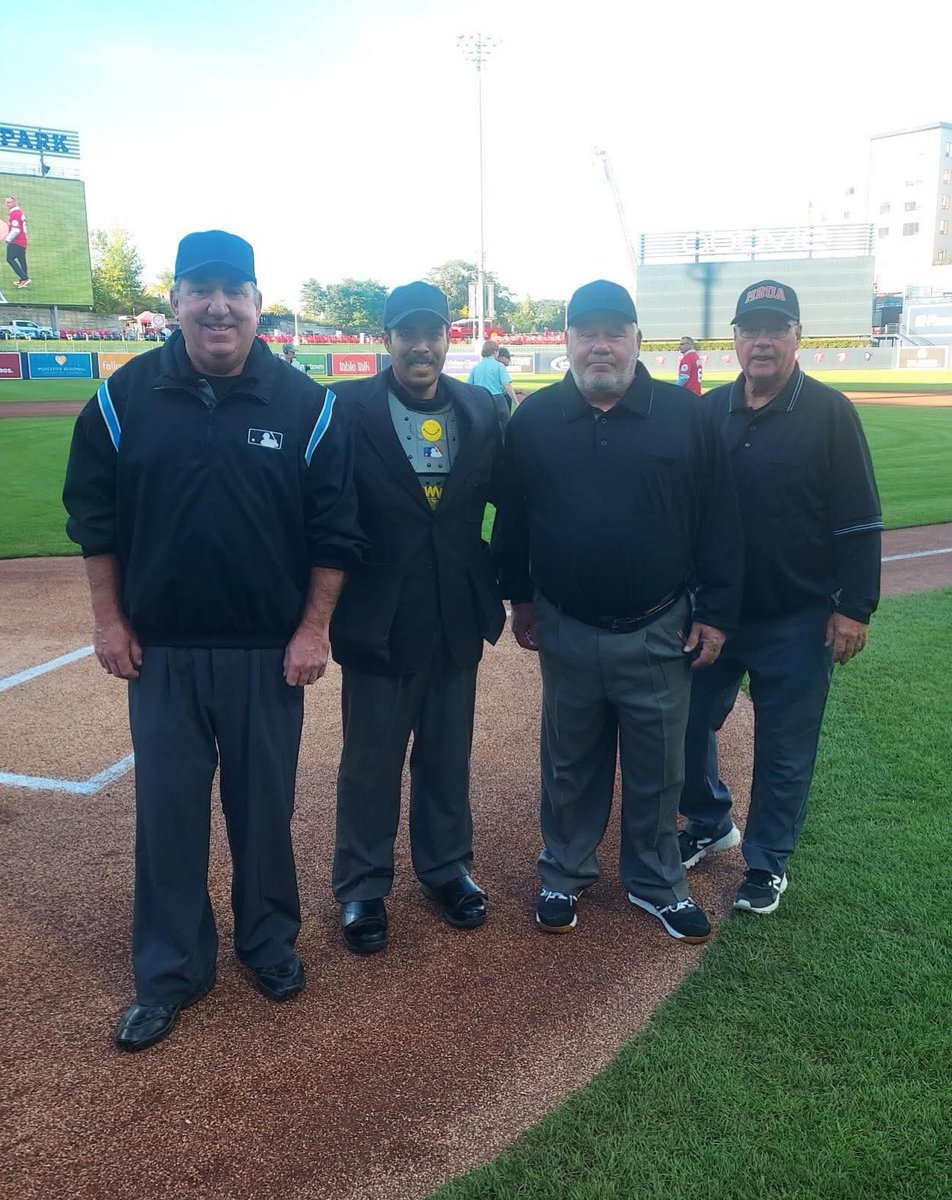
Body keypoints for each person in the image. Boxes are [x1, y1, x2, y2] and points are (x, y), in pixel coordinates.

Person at [63, 230, 364, 1051]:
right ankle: (170, 972)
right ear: (176, 301)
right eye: (201, 288)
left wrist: (312, 630)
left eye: (235, 289)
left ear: (259, 303)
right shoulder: (123, 400)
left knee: (263, 812)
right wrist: (108, 618)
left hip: (268, 654)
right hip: (160, 653)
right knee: (168, 816)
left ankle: (269, 945)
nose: (218, 305)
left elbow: (336, 533)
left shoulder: (307, 405)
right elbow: (93, 519)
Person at [492, 280, 744, 942]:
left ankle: (657, 882)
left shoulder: (684, 417)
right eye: (586, 332)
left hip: (658, 625)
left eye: (614, 332)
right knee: (569, 763)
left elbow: (720, 522)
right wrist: (519, 596)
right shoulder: (537, 419)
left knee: (659, 769)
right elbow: (513, 521)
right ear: (569, 341)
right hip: (566, 625)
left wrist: (714, 613)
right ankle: (563, 873)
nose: (600, 345)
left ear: (636, 338)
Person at [678, 279, 883, 914]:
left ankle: (767, 863)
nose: (761, 340)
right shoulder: (708, 411)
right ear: (734, 339)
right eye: (750, 329)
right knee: (682, 723)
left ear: (797, 336)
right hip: (717, 616)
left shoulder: (829, 412)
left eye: (776, 328)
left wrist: (856, 606)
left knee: (785, 746)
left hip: (799, 615)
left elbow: (858, 518)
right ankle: (710, 821)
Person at [329, 281, 507, 954]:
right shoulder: (345, 408)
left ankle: (444, 867)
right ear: (388, 340)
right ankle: (363, 887)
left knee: (446, 755)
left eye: (433, 332)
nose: (422, 344)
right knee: (370, 763)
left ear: (449, 338)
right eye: (408, 333)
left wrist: (506, 584)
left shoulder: (482, 410)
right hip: (379, 618)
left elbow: (504, 503)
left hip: (456, 610)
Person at [467, 338, 519, 413]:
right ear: (495, 352)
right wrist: (516, 402)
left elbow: (469, 387)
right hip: (497, 399)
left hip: (481, 400)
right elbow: (507, 385)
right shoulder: (499, 366)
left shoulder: (476, 368)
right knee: (505, 423)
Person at [4, 195, 30, 288]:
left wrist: (8, 239)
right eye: (6, 202)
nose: (7, 204)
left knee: (10, 259)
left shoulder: (15, 214)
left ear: (15, 202)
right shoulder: (19, 212)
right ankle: (24, 279)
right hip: (23, 241)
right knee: (21, 260)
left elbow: (16, 229)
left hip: (16, 241)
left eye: (9, 202)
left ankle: (24, 278)